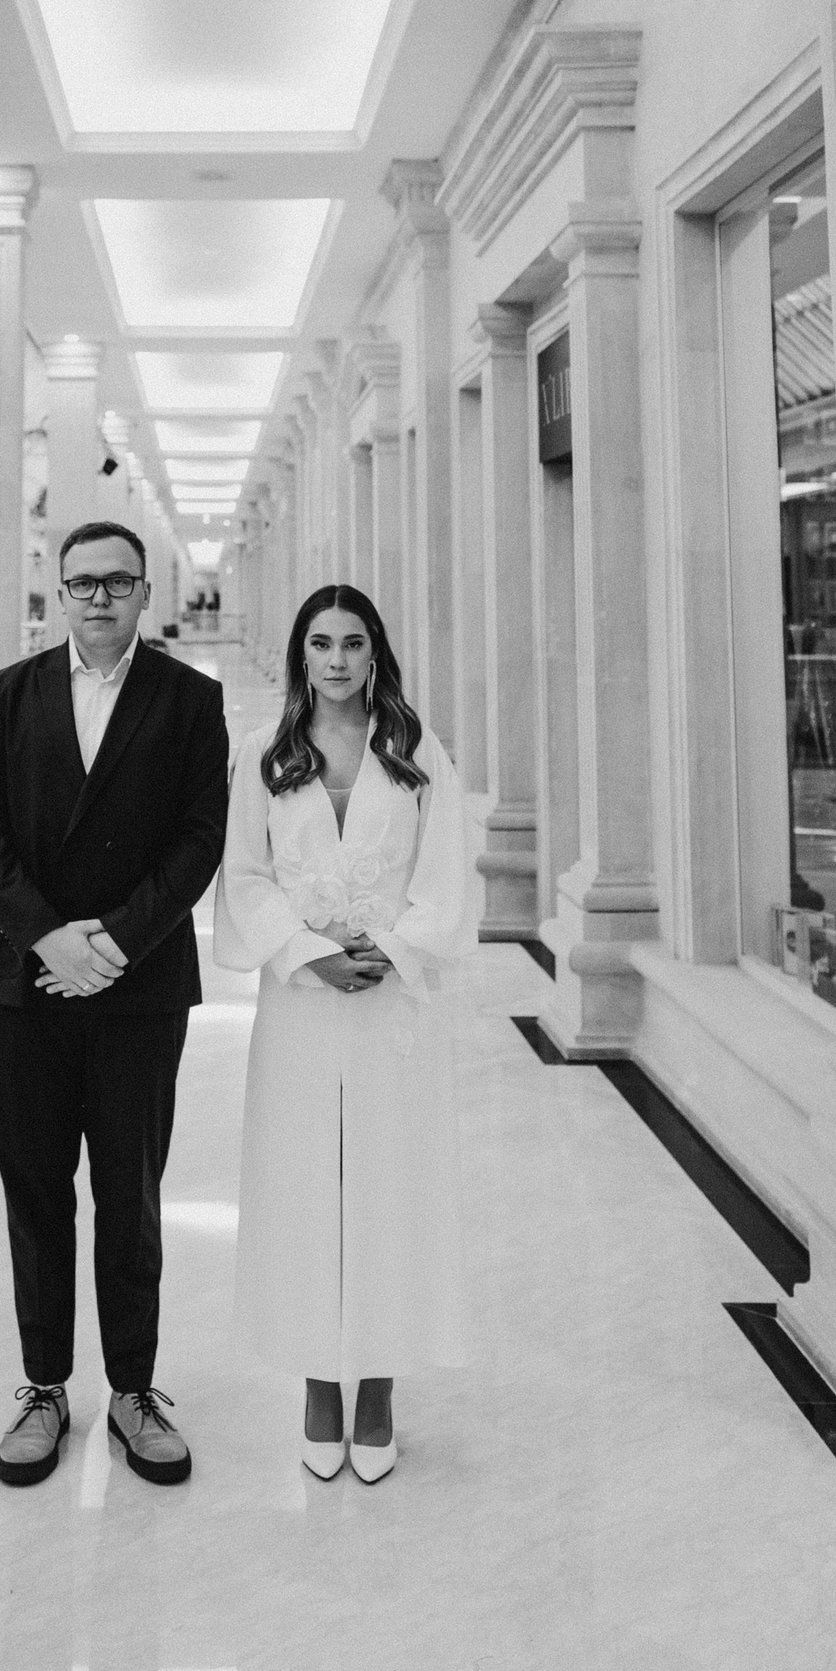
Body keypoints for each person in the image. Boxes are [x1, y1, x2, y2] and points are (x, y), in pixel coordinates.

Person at [0, 521, 231, 1490]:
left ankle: (132, 1391)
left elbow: (200, 838)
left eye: (118, 581)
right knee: (36, 1195)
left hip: (138, 987)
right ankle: (43, 1389)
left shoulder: (190, 699)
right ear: (59, 592)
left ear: (145, 591)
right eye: (84, 582)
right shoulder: (9, 694)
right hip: (26, 987)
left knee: (130, 1197)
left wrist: (113, 944)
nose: (101, 597)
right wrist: (50, 939)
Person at [213, 583, 470, 1483]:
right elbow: (244, 876)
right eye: (320, 642)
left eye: (352, 642)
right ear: (301, 653)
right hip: (302, 1003)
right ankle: (320, 1381)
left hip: (393, 1007)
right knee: (305, 1184)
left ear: (374, 653)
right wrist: (307, 952)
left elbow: (445, 874)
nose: (336, 659)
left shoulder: (415, 750)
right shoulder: (265, 752)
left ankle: (380, 1383)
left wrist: (393, 948)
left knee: (389, 1184)